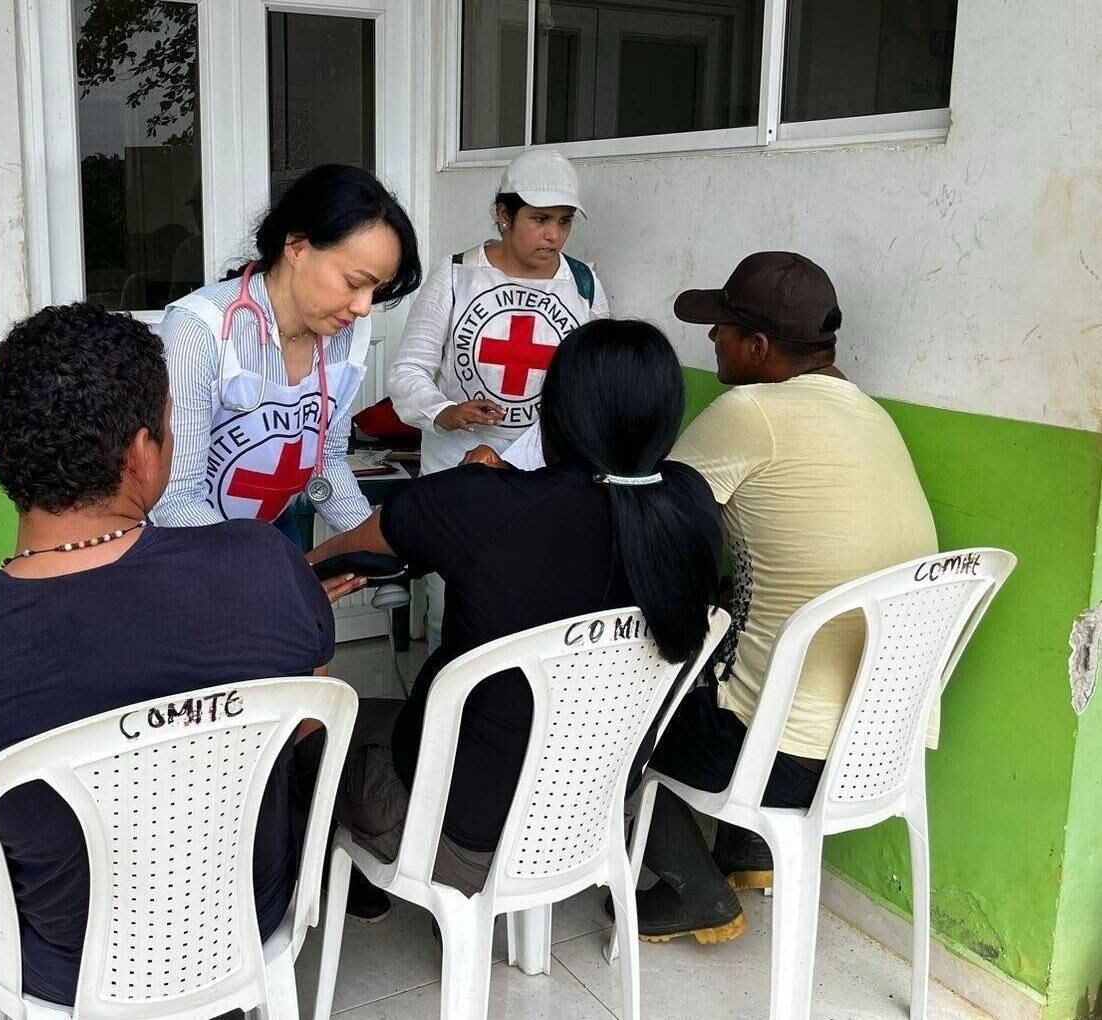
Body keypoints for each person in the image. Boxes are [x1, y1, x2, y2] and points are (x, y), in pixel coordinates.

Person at [0, 304, 345, 1019]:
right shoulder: (262, 565)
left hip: (58, 957)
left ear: (5, 454)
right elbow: (308, 719)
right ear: (141, 449)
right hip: (246, 914)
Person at [310, 319, 719, 896]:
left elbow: (341, 555)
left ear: (558, 414)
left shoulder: (480, 505)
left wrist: (478, 489)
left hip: (461, 841)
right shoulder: (690, 503)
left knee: (310, 730)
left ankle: (354, 897)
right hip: (593, 820)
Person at [631, 252, 938, 944]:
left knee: (607, 707)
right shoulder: (871, 414)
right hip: (882, 749)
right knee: (751, 640)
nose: (712, 340)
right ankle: (745, 851)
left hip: (782, 761)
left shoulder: (749, 411)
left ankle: (696, 890)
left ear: (760, 348)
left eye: (722, 329)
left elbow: (654, 529)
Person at [385, 148, 609, 650]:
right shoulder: (458, 274)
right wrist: (445, 410)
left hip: (544, 480)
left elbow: (597, 379)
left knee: (531, 609)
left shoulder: (583, 284)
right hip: (459, 473)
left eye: (564, 221)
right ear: (504, 216)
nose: (553, 235)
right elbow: (407, 372)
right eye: (540, 219)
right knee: (453, 608)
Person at [152, 164, 422, 537]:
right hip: (188, 542)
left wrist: (371, 539)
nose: (363, 306)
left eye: (375, 290)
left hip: (272, 528)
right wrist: (268, 571)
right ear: (296, 246)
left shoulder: (347, 335)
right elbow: (176, 498)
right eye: (354, 283)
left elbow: (325, 461)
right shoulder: (199, 331)